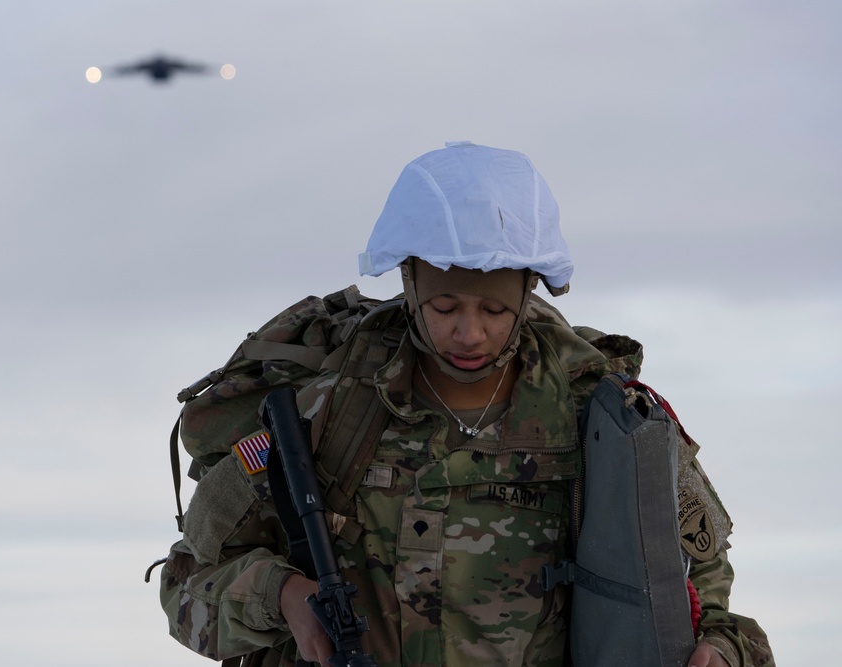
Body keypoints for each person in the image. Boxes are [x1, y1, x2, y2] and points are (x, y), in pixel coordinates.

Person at [161, 142, 773, 667]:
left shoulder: (606, 420)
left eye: (496, 310)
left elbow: (705, 596)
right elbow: (185, 586)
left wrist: (721, 648)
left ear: (529, 292)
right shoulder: (324, 415)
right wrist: (285, 596)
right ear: (409, 286)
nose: (470, 334)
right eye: (445, 308)